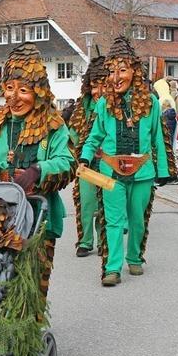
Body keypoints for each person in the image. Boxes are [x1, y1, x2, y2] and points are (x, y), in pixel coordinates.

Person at [0, 43, 76, 299]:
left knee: (35, 279)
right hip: (3, 210)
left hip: (40, 211)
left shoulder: (53, 124)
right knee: (2, 275)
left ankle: (32, 328)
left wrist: (39, 169)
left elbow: (67, 161)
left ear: (39, 92)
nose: (14, 97)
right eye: (10, 88)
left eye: (23, 90)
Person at [80, 36, 176, 286]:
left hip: (143, 172)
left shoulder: (152, 103)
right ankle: (112, 268)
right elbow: (93, 137)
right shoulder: (103, 104)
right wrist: (84, 158)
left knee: (137, 220)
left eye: (122, 70)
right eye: (112, 71)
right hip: (111, 172)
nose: (115, 77)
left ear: (134, 71)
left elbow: (158, 139)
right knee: (112, 220)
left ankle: (134, 257)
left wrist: (163, 171)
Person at [69, 56, 108, 257]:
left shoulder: (114, 106)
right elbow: (73, 134)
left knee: (105, 202)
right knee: (86, 202)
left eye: (103, 85)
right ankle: (85, 240)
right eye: (94, 86)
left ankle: (104, 241)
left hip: (108, 162)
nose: (98, 92)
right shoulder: (82, 107)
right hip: (86, 163)